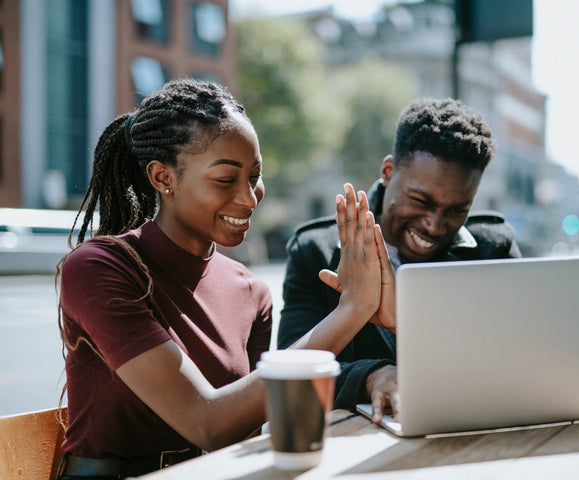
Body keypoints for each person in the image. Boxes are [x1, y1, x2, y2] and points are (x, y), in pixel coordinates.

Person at [55, 78, 389, 479]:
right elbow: (208, 423)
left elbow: (244, 432)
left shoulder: (252, 291)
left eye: (255, 175)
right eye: (226, 179)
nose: (249, 198)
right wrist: (352, 309)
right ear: (163, 178)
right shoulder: (99, 268)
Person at [277, 97, 521, 423]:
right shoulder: (315, 252)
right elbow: (291, 368)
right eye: (421, 200)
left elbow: (517, 356)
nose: (434, 225)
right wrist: (371, 376)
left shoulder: (493, 248)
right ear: (389, 171)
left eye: (456, 210)